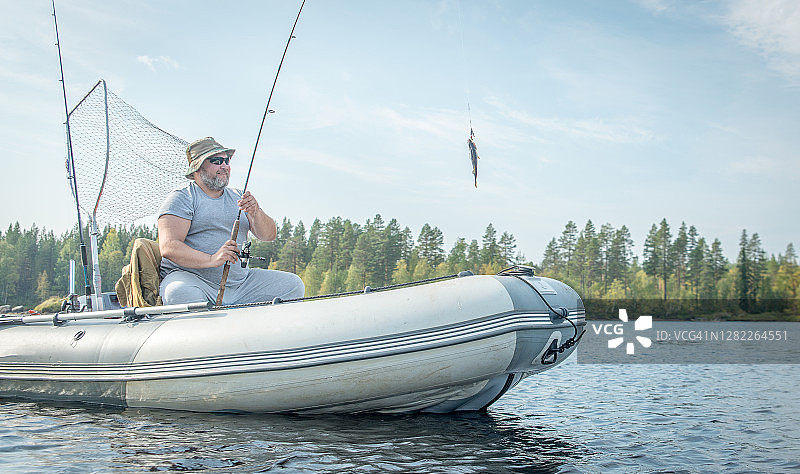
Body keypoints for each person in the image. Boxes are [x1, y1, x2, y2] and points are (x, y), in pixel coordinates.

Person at [158, 137, 305, 305]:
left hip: (241, 284)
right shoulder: (182, 198)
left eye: (226, 160)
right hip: (194, 281)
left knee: (293, 285)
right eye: (216, 161)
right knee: (177, 291)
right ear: (197, 168)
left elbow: (269, 235)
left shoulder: (239, 196)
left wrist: (255, 212)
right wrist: (212, 259)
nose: (224, 166)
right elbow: (169, 247)